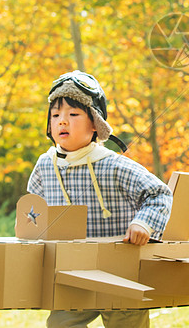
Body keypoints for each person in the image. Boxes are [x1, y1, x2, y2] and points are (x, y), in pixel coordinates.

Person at [28, 70, 173, 328]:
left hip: (120, 271)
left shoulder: (114, 166)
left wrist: (144, 224)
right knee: (61, 324)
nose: (63, 121)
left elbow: (158, 193)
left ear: (95, 123)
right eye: (55, 115)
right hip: (71, 272)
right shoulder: (44, 166)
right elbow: (33, 209)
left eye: (73, 115)